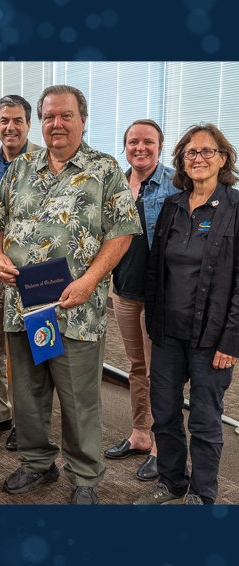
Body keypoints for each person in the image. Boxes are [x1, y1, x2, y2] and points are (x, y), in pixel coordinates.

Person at [0, 85, 142, 505]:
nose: (57, 124)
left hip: (75, 307)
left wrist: (90, 281)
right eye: (50, 116)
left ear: (82, 120)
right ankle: (37, 464)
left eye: (66, 115)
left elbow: (123, 233)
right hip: (23, 306)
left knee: (79, 399)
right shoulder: (20, 167)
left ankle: (85, 476)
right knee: (28, 393)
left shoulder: (104, 168)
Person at [135, 124, 239, 505]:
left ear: (223, 159)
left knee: (205, 420)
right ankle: (173, 482)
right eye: (191, 153)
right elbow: (153, 270)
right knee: (163, 414)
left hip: (212, 338)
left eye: (207, 152)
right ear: (181, 161)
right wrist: (152, 320)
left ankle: (203, 494)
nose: (198, 159)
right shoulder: (172, 206)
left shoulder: (235, 208)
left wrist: (231, 338)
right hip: (168, 333)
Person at [104, 120, 179, 481]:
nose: (140, 148)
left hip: (159, 296)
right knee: (136, 368)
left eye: (148, 142)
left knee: (159, 372)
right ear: (125, 146)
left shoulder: (175, 184)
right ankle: (139, 434)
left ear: (160, 146)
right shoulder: (116, 183)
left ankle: (161, 448)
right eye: (133, 142)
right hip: (123, 291)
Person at [0, 94, 44, 451]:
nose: (10, 127)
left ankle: (28, 423)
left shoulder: (46, 160)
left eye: (17, 120)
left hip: (33, 274)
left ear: (29, 124)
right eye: (4, 120)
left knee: (32, 351)